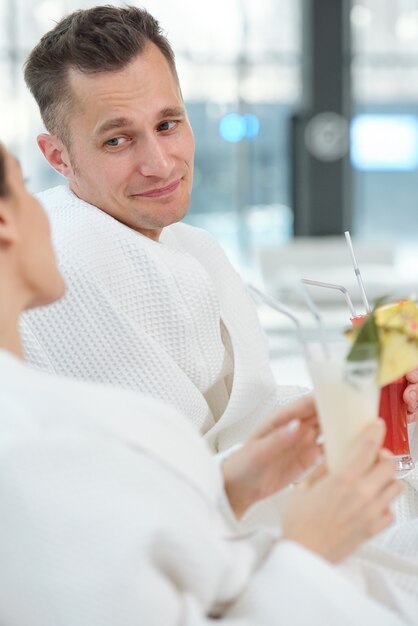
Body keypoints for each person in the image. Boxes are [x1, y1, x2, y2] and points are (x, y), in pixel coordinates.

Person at [0, 141, 416, 625]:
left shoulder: (46, 420)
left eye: (169, 124)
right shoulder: (39, 443)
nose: (51, 210)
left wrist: (231, 487)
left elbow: (129, 551)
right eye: (28, 190)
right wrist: (309, 550)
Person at [20, 5, 309, 455]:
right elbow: (176, 468)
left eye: (167, 124)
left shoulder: (190, 245)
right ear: (58, 157)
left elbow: (239, 418)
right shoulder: (66, 261)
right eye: (117, 140)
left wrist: (363, 399)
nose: (160, 165)